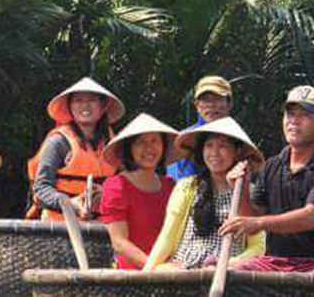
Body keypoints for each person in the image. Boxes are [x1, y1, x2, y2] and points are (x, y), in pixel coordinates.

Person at [220, 86, 314, 273]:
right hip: (275, 262)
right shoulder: (272, 165)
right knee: (229, 272)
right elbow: (253, 222)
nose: (293, 121)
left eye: (304, 115)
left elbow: (310, 218)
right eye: (289, 114)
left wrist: (259, 222)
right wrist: (243, 187)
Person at [143, 117, 265, 270]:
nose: (214, 153)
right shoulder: (187, 186)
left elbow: (258, 247)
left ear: (237, 152)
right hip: (183, 271)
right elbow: (167, 237)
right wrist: (147, 273)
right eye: (209, 145)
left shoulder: (249, 190)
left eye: (223, 146)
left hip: (228, 273)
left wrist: (226, 265)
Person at [27, 77, 124, 221]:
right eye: (78, 100)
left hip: (102, 230)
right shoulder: (58, 142)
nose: (85, 105)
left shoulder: (113, 144)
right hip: (58, 230)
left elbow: (126, 185)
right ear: (70, 107)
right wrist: (71, 205)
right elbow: (41, 189)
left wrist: (107, 193)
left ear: (103, 106)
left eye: (92, 100)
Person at [99, 113, 177, 269]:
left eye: (155, 141)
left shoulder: (171, 185)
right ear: (129, 149)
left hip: (172, 269)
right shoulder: (116, 186)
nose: (149, 148)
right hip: (133, 277)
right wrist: (153, 268)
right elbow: (119, 242)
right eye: (140, 142)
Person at [166, 75, 234, 180]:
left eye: (217, 98)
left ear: (229, 104)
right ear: (197, 106)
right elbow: (179, 185)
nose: (211, 104)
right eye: (205, 99)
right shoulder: (183, 142)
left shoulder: (238, 139)